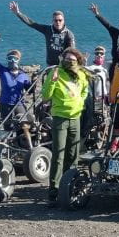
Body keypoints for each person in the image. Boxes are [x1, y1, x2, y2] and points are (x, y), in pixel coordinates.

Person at [42, 47, 89, 206]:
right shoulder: (55, 73)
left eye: (73, 60)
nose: (69, 62)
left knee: (73, 153)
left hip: (75, 117)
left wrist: (81, 103)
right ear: (62, 59)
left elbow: (84, 91)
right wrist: (53, 81)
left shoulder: (81, 74)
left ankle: (71, 186)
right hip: (60, 118)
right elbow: (46, 96)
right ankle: (54, 191)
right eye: (67, 60)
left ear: (78, 61)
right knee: (58, 155)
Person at [9, 1, 75, 66]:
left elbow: (72, 51)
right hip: (50, 64)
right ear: (52, 21)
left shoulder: (68, 34)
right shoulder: (48, 29)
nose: (58, 22)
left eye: (60, 20)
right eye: (55, 20)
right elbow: (32, 23)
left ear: (63, 20)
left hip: (63, 65)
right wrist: (18, 13)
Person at [0, 33, 32, 119]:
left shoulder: (23, 75)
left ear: (19, 60)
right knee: (8, 128)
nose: (12, 60)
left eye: (15, 59)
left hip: (19, 104)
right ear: (7, 59)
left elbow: (30, 90)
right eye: (10, 58)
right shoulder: (2, 71)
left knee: (23, 124)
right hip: (5, 104)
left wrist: (33, 80)